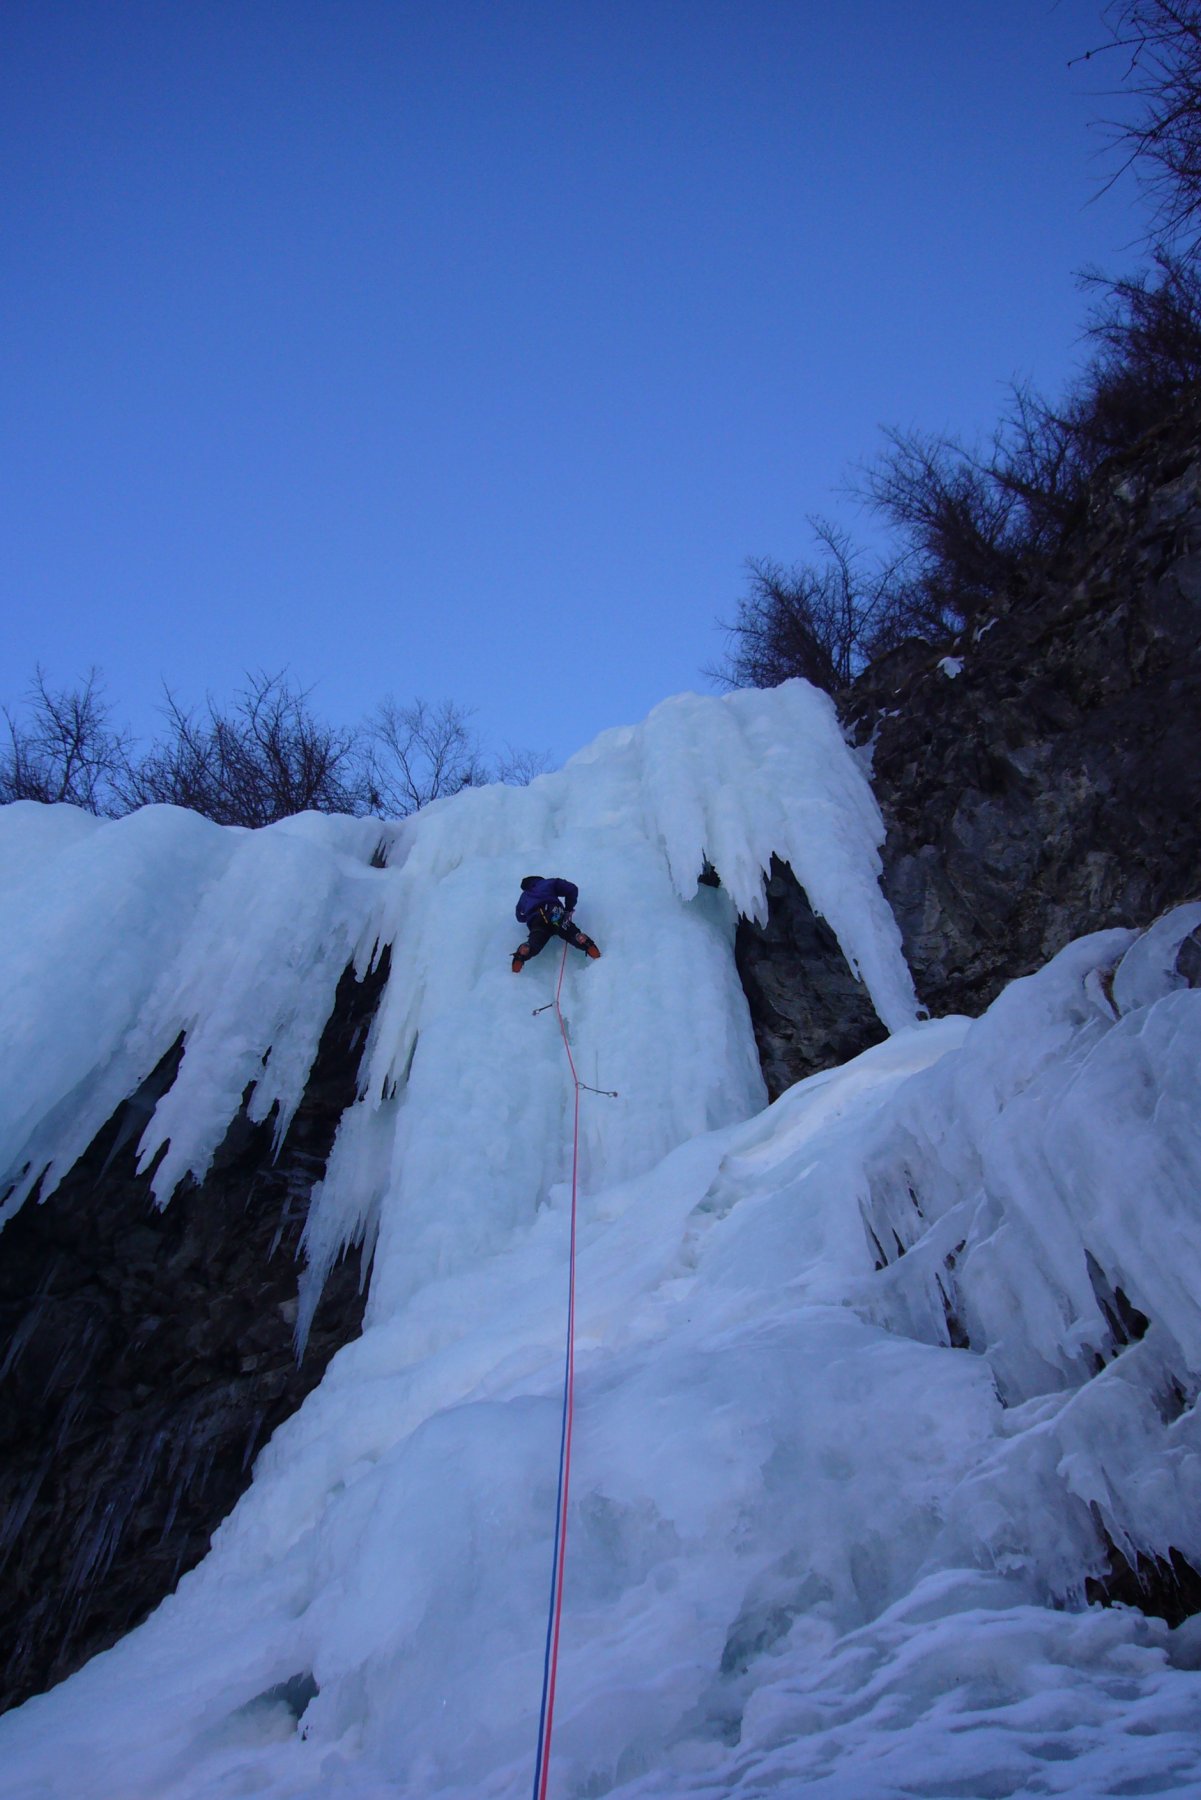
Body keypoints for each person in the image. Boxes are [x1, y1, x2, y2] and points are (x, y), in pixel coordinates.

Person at [511, 875, 602, 972]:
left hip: (536, 919)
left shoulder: (524, 896)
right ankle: (580, 939)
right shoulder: (547, 883)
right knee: (567, 930)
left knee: (536, 939)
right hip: (553, 912)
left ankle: (525, 950)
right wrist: (568, 908)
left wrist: (528, 917)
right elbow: (571, 888)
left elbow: (519, 917)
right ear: (538, 879)